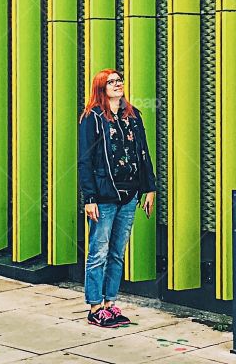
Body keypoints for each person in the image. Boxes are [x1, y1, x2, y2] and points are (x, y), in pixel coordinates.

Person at [77, 69, 157, 327]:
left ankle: (110, 303)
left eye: (119, 80)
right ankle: (95, 307)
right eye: (111, 82)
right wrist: (89, 198)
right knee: (98, 252)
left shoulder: (133, 116)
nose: (117, 84)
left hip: (129, 195)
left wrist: (150, 188)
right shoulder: (92, 118)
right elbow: (85, 161)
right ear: (101, 88)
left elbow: (143, 153)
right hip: (103, 196)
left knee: (117, 252)